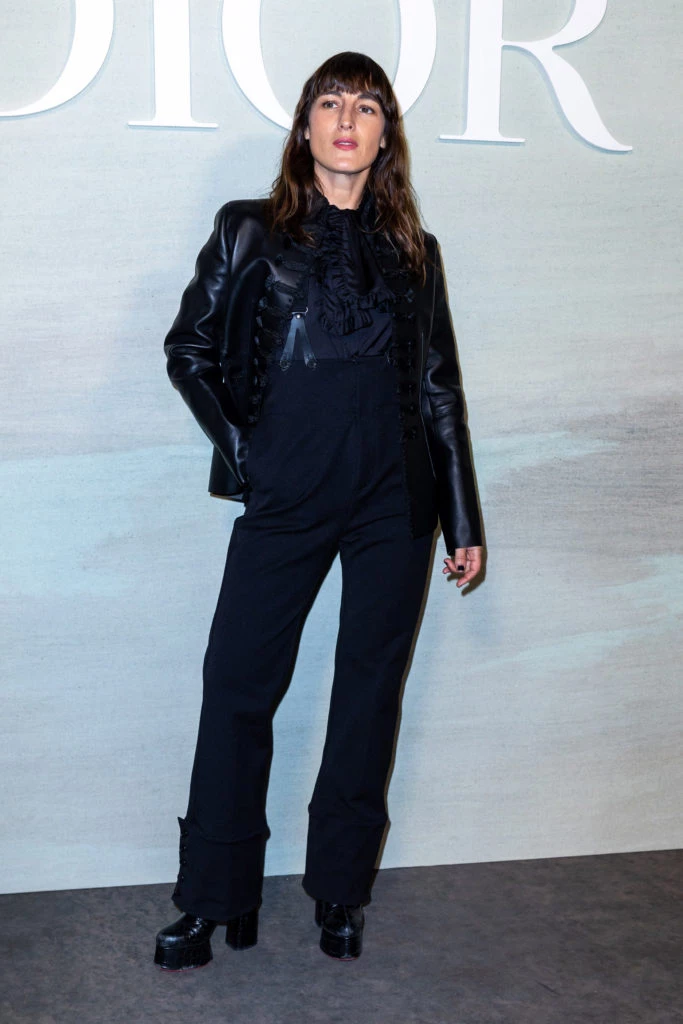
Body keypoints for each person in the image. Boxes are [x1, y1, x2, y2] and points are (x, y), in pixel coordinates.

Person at [154, 51, 484, 971]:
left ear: (385, 136)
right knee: (237, 689)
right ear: (305, 128)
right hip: (288, 494)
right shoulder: (249, 230)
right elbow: (187, 349)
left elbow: (440, 390)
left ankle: (340, 891)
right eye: (331, 103)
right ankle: (213, 898)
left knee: (367, 695)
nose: (347, 120)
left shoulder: (416, 253)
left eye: (366, 107)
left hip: (394, 503)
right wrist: (248, 453)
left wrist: (462, 518)